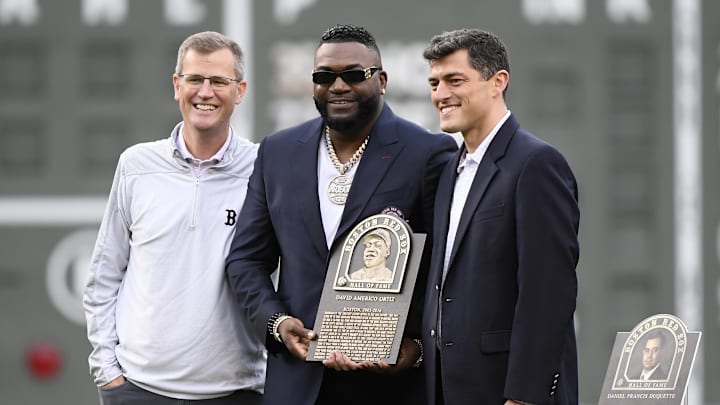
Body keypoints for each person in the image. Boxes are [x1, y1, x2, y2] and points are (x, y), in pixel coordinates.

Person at [225, 24, 457, 405]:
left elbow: (442, 268)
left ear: (381, 80)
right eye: (324, 76)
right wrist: (278, 324)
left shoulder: (427, 153)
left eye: (353, 75)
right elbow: (245, 260)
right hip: (297, 384)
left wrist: (414, 344)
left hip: (388, 386)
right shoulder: (278, 152)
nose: (338, 86)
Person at [83, 31, 266, 405]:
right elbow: (104, 275)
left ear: (240, 90)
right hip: (139, 391)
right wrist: (108, 374)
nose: (205, 92)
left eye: (218, 81)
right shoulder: (136, 166)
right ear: (176, 85)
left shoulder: (264, 168)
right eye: (195, 79)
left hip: (237, 393)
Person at [421, 29, 580, 405]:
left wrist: (525, 396)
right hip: (446, 390)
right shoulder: (448, 171)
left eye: (454, 80)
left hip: (507, 393)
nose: (440, 94)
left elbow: (549, 293)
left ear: (498, 82)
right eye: (434, 83)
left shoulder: (537, 164)